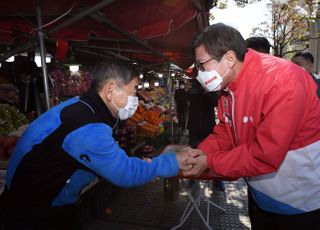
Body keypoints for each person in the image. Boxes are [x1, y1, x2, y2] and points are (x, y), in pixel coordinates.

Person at [0, 60, 192, 230]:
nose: (137, 97)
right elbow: (124, 173)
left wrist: (143, 167)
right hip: (34, 212)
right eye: (133, 90)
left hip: (40, 200)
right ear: (110, 90)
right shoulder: (86, 125)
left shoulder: (82, 106)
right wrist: (173, 162)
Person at [184, 23, 320, 229]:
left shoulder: (282, 80)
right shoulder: (229, 86)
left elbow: (265, 154)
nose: (200, 73)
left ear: (229, 58)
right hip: (260, 193)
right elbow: (225, 132)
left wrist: (210, 161)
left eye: (202, 65)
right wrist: (198, 153)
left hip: (299, 201)